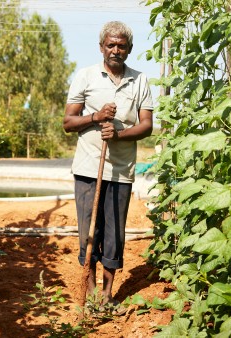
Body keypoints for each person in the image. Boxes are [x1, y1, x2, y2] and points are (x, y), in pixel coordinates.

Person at [62, 21, 153, 314]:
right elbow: (68, 123)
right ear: (101, 47)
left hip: (122, 171)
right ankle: (88, 297)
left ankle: (106, 296)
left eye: (121, 46)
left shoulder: (140, 81)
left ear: (129, 49)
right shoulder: (85, 76)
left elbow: (147, 126)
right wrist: (96, 117)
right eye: (110, 45)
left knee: (115, 235)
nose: (116, 50)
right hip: (89, 169)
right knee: (91, 232)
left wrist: (119, 134)